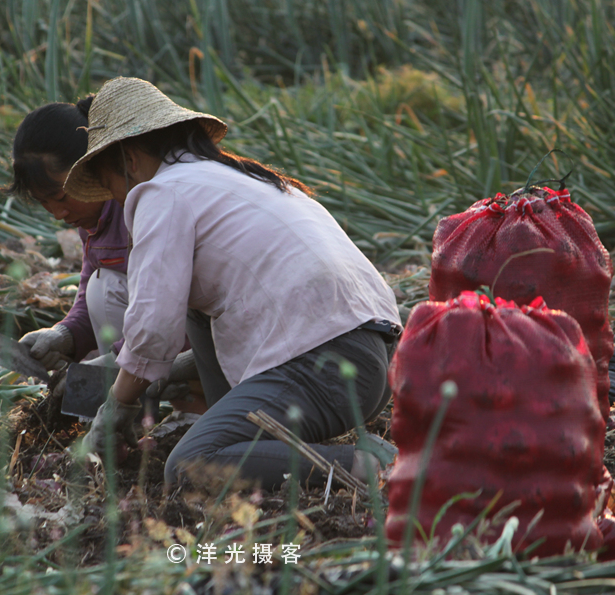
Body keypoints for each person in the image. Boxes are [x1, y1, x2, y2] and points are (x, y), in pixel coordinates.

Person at [63, 77, 403, 490]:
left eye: (109, 183)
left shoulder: (161, 193)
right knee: (191, 304)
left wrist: (120, 401)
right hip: (375, 359)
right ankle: (233, 430)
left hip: (326, 368)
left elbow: (152, 326)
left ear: (130, 160)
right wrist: (162, 371)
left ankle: (362, 466)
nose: (115, 198)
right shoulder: (245, 180)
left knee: (191, 463)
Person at [2, 98, 204, 411]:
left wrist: (115, 368)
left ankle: (165, 406)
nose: (59, 213)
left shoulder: (149, 205)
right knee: (100, 285)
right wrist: (63, 334)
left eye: (61, 196)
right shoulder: (92, 220)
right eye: (45, 204)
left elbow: (164, 313)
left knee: (106, 287)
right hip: (160, 344)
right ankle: (138, 401)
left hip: (196, 339)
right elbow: (87, 294)